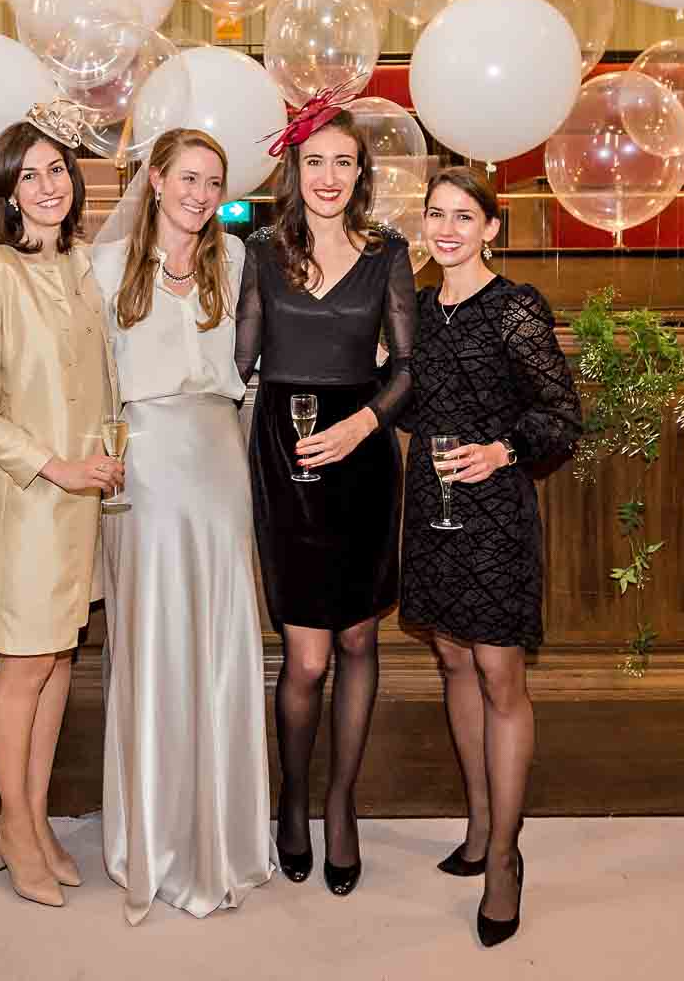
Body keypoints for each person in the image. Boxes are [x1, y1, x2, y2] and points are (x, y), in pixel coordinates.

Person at [90, 128, 274, 923]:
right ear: (155, 180)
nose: (201, 195)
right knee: (156, 640)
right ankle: (157, 836)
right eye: (188, 179)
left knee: (225, 639)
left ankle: (227, 833)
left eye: (214, 182)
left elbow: (257, 364)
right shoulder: (101, 268)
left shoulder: (234, 262)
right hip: (146, 465)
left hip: (219, 459)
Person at [234, 98, 415, 897]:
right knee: (305, 657)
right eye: (316, 162)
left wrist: (364, 425)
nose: (330, 177)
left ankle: (341, 807)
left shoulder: (389, 253)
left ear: (360, 174)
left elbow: (410, 368)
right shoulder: (260, 253)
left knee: (356, 646)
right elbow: (236, 361)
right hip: (284, 455)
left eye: (344, 162)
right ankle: (294, 800)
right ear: (294, 170)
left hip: (364, 458)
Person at [401, 167, 582, 949]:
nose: (447, 229)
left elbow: (562, 415)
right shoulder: (410, 308)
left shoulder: (515, 309)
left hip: (494, 507)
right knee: (449, 656)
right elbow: (403, 400)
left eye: (464, 217)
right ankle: (478, 824)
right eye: (437, 215)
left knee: (499, 672)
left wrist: (503, 450)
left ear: (491, 229)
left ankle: (506, 856)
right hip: (429, 505)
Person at [0, 106, 122, 909]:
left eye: (58, 170)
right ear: (5, 193)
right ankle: (13, 826)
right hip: (28, 502)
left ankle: (36, 816)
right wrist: (56, 466)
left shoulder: (86, 263)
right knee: (22, 667)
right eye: (30, 175)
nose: (48, 185)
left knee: (58, 661)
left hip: (85, 501)